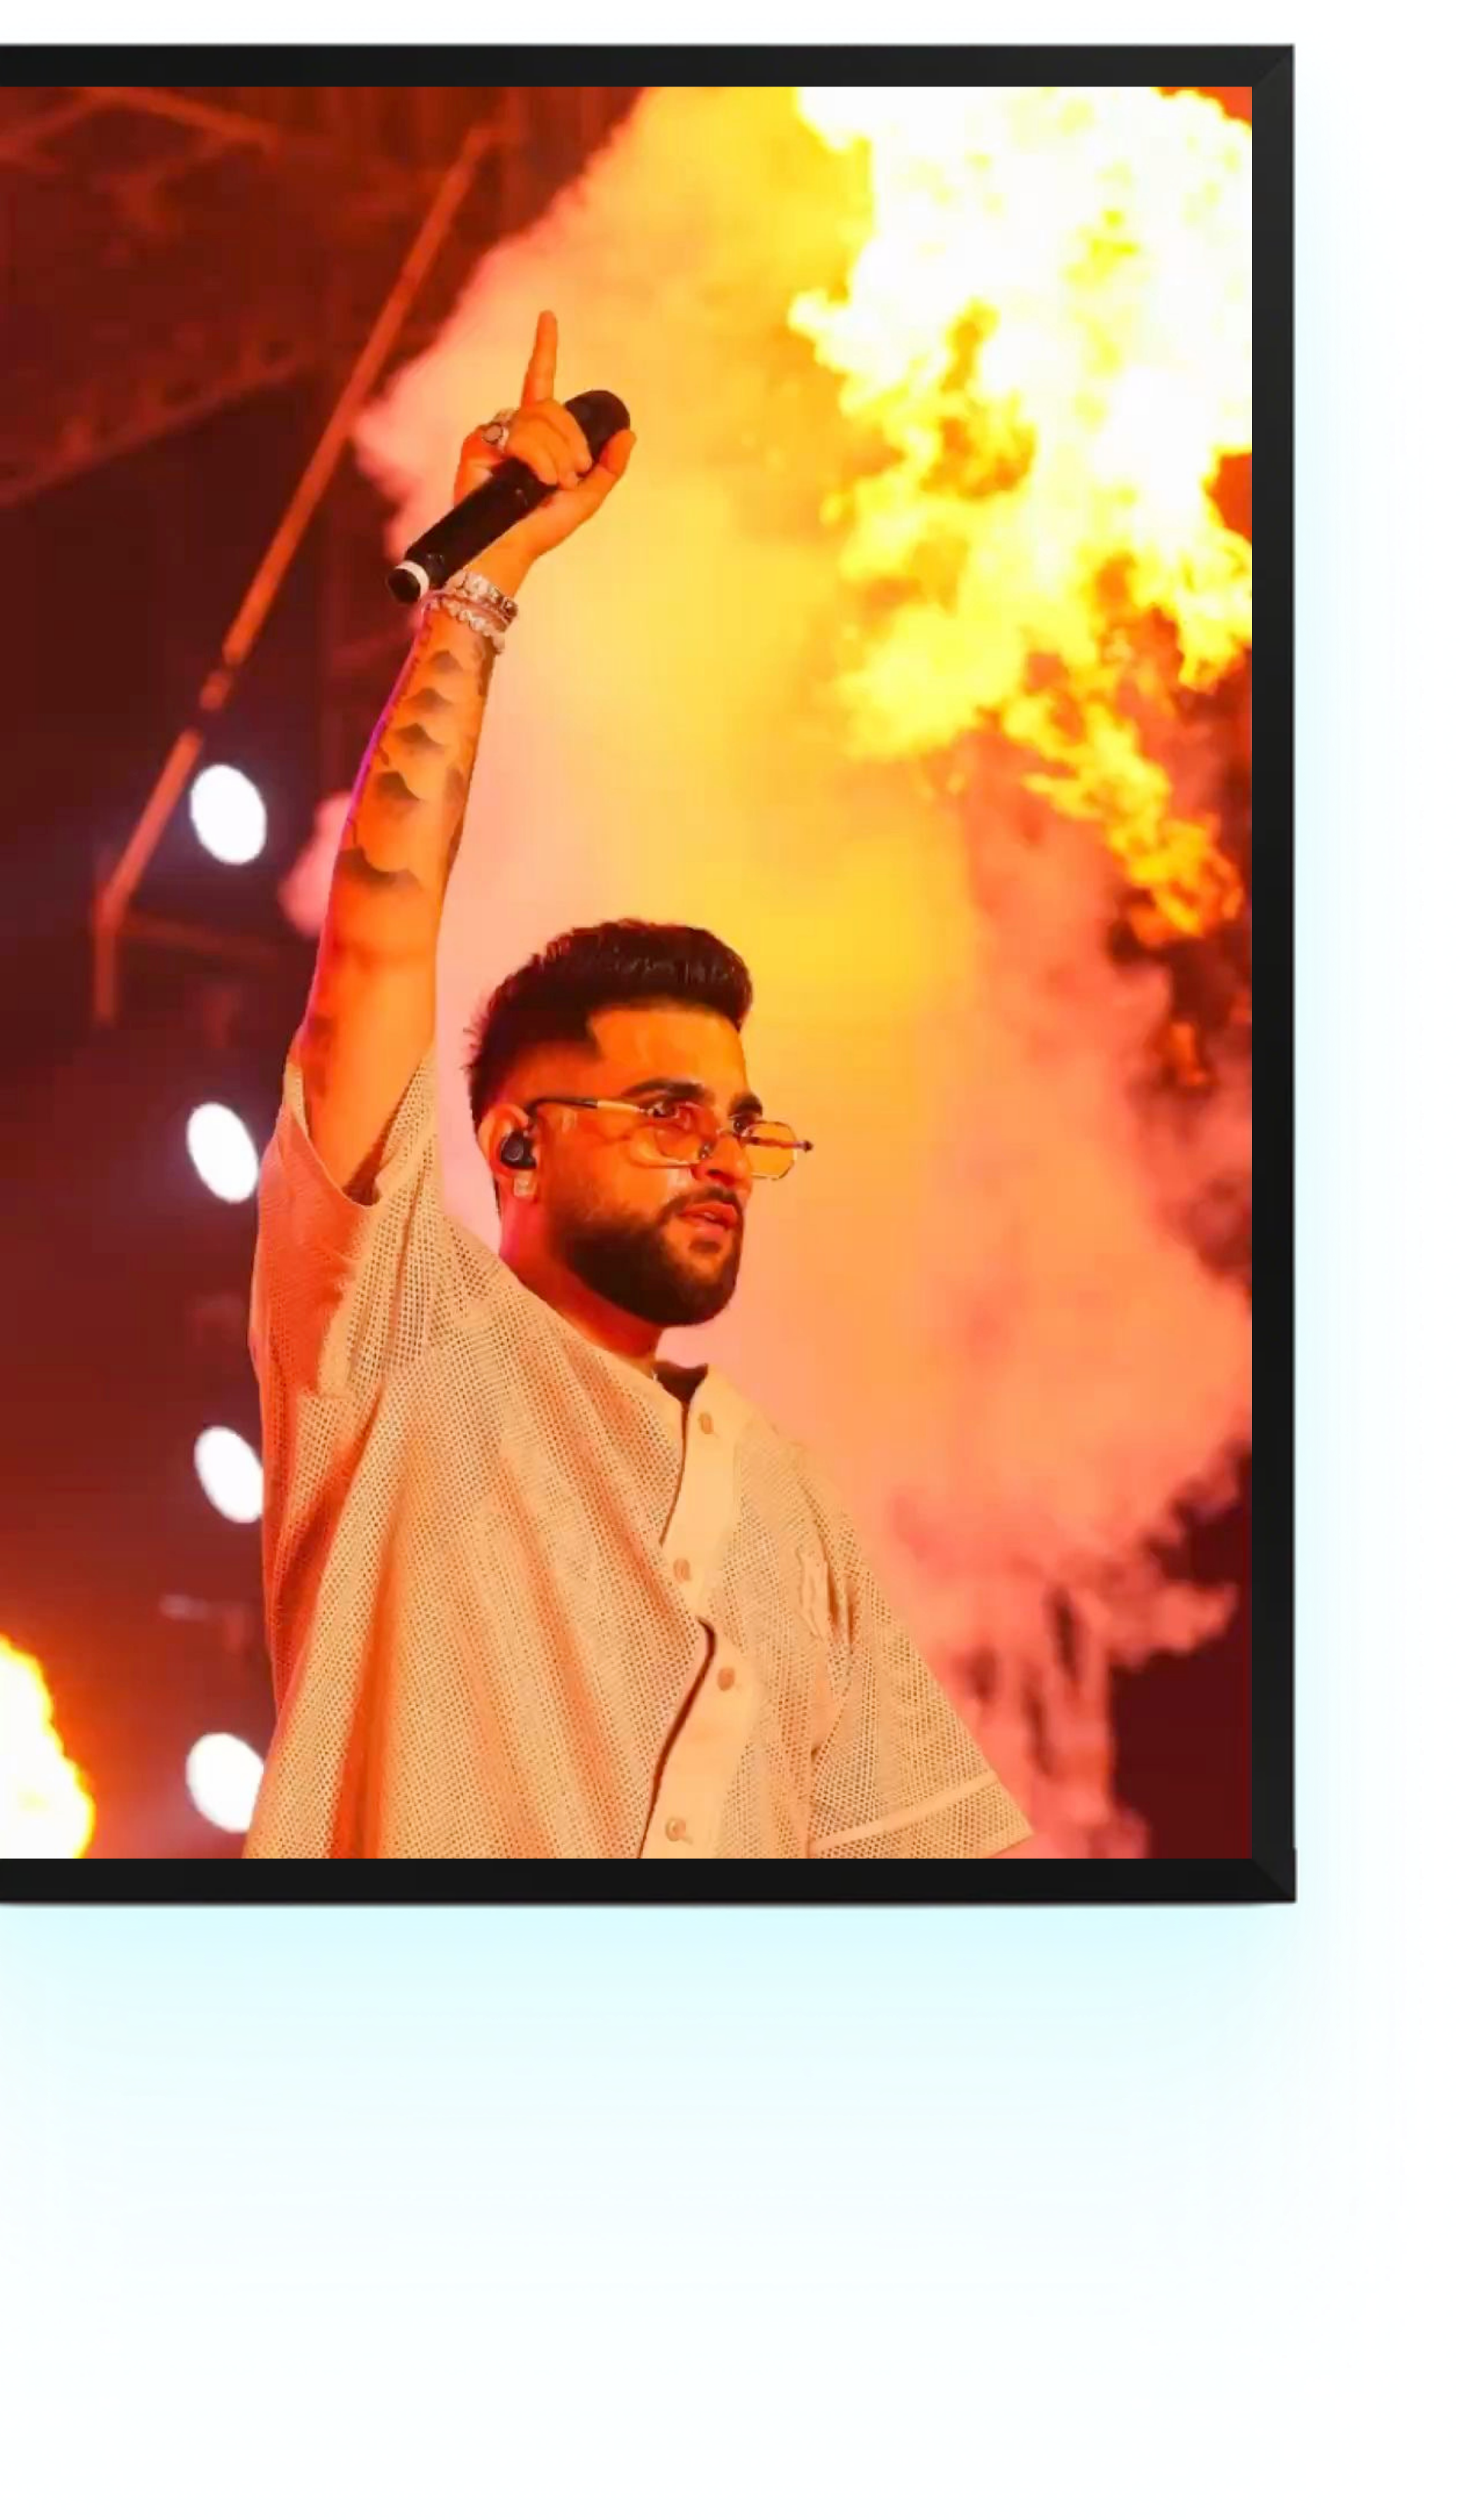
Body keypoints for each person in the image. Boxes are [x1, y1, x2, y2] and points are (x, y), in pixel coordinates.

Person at [242, 312, 1032, 1863]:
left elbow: (942, 1902)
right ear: (514, 1142)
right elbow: (380, 935)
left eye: (740, 1123)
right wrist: (480, 590)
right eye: (668, 1112)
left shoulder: (789, 1506)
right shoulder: (399, 1338)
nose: (721, 1155)